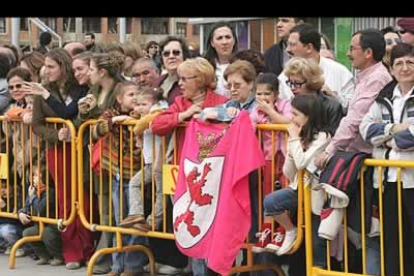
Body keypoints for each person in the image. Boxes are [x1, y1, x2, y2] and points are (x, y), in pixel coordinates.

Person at [151, 57, 228, 275]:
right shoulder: (180, 102)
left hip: (212, 174)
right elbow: (156, 125)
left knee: (210, 227)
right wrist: (182, 116)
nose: (181, 83)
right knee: (190, 227)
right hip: (184, 173)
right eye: (180, 79)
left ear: (201, 79)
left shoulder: (221, 101)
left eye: (185, 79)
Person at [29, 49, 96, 270]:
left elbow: (71, 113)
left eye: (51, 66)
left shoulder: (80, 88)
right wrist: (55, 135)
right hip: (57, 151)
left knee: (84, 199)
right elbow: (37, 124)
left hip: (81, 149)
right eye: (46, 67)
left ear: (62, 67)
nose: (46, 71)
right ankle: (72, 252)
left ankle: (88, 249)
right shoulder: (42, 91)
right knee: (65, 201)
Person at [359, 43, 414, 276]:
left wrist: (388, 138)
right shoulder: (384, 98)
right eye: (399, 63)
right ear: (391, 69)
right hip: (386, 181)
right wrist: (396, 128)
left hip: (411, 180)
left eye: (410, 62)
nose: (404, 68)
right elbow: (366, 130)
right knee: (392, 242)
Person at [263, 94, 331, 256]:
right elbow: (290, 172)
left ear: (309, 117)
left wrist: (293, 140)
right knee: (271, 202)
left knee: (317, 246)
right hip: (299, 188)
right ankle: (290, 231)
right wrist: (292, 150)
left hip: (317, 194)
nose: (291, 118)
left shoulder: (323, 137)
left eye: (295, 114)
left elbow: (303, 163)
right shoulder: (300, 135)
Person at [315, 28, 393, 169]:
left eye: (352, 49)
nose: (348, 53)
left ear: (368, 52)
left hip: (366, 158)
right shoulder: (368, 76)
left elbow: (355, 118)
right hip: (359, 155)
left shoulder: (376, 79)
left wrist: (330, 150)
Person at [92, 81, 147, 276]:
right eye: (130, 94)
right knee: (119, 222)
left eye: (137, 94)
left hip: (137, 178)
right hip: (117, 176)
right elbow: (94, 131)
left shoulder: (142, 115)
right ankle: (117, 265)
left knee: (134, 221)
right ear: (119, 98)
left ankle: (133, 265)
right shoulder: (110, 114)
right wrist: (114, 121)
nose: (134, 98)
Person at [249, 72, 292, 253]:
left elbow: (288, 121)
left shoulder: (285, 105)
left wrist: (269, 112)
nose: (262, 97)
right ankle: (267, 229)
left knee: (283, 190)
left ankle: (283, 229)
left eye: (266, 93)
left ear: (275, 94)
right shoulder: (256, 109)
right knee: (267, 193)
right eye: (259, 94)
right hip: (268, 156)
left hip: (286, 156)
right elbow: (250, 125)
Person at [119, 87, 168, 232]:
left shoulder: (159, 112)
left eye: (143, 104)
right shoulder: (142, 117)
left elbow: (142, 124)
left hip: (161, 161)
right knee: (134, 183)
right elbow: (136, 126)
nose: (139, 108)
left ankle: (153, 221)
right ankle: (136, 213)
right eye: (137, 104)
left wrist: (135, 127)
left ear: (154, 104)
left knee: (161, 192)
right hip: (149, 163)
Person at [280, 23, 355, 111]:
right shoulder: (284, 76)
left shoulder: (340, 72)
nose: (288, 50)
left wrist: (334, 97)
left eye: (293, 45)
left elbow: (354, 109)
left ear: (309, 47)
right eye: (288, 45)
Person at [284, 57, 344, 135]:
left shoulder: (332, 105)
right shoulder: (293, 103)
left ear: (311, 82)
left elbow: (334, 136)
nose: (292, 88)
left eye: (297, 84)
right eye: (290, 83)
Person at [18, 166, 63, 266]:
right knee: (28, 232)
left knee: (47, 233)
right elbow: (26, 207)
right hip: (39, 224)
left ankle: (58, 256)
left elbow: (40, 209)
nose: (33, 178)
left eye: (36, 175)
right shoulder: (34, 190)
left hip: (52, 225)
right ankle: (44, 256)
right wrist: (21, 213)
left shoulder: (50, 192)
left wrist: (32, 197)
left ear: (44, 177)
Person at [204, 22, 238, 98]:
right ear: (212, 43)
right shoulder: (204, 68)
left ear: (234, 41)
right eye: (219, 38)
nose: (224, 42)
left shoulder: (244, 65)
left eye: (228, 37)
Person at [154, 36, 190, 105]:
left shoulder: (193, 81)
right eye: (166, 54)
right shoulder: (157, 82)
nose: (171, 56)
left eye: (176, 52)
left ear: (184, 56)